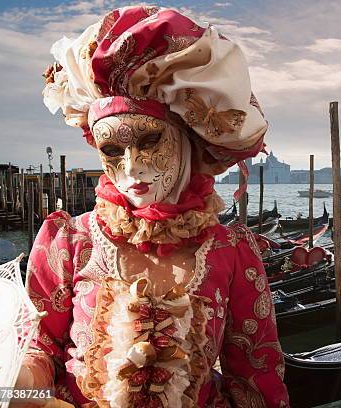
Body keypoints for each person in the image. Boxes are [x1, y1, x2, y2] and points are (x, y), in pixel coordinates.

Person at [16, 6, 289, 407]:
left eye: (148, 142)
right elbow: (39, 348)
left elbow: (256, 377)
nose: (131, 167)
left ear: (187, 140)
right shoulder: (68, 242)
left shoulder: (233, 251)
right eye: (112, 148)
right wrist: (16, 387)